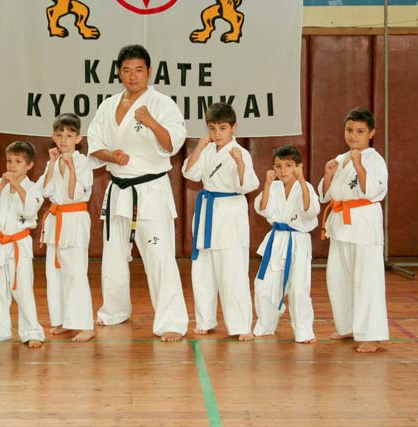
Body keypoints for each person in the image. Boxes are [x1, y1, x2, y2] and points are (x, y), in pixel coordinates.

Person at [87, 44, 188, 342]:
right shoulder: (108, 106)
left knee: (159, 256)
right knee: (113, 255)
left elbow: (172, 145)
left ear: (149, 72)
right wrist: (111, 156)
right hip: (118, 189)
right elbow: (94, 144)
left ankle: (171, 321)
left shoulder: (162, 104)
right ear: (119, 72)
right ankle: (114, 310)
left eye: (139, 70)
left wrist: (151, 122)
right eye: (127, 70)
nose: (133, 76)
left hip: (150, 190)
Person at [182, 102, 258, 340]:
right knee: (203, 270)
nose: (217, 134)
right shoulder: (207, 150)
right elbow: (189, 173)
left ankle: (241, 325)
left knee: (232, 272)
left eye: (222, 128)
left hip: (229, 211)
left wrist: (240, 163)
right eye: (212, 128)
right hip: (207, 210)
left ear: (233, 127)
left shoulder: (239, 152)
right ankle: (205, 319)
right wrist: (198, 147)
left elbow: (247, 185)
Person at [318, 107, 389, 353]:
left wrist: (359, 166)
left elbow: (375, 190)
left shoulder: (374, 159)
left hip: (364, 224)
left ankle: (371, 335)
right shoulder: (340, 158)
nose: (353, 135)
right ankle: (347, 325)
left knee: (367, 280)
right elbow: (326, 195)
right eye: (349, 130)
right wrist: (328, 176)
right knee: (338, 278)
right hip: (341, 225)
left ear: (371, 133)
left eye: (360, 131)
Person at [253, 145, 320, 344]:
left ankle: (304, 331)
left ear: (299, 167)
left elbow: (310, 211)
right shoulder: (274, 187)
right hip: (277, 239)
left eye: (288, 165)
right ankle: (266, 324)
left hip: (298, 240)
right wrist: (266, 185)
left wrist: (302, 181)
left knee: (299, 288)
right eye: (278, 166)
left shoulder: (305, 187)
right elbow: (263, 209)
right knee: (264, 285)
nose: (283, 171)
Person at [0, 140, 45, 348]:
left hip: (19, 244)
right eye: (9, 161)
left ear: (29, 165)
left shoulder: (33, 189)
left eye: (18, 161)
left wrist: (16, 186)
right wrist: (2, 185)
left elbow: (30, 210)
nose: (12, 165)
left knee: (23, 289)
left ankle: (32, 331)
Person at [39, 113, 95, 342]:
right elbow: (45, 191)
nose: (64, 139)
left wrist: (71, 168)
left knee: (75, 271)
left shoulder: (83, 162)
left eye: (69, 135)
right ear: (53, 137)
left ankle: (85, 325)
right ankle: (63, 320)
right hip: (56, 218)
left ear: (78, 139)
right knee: (55, 273)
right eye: (59, 135)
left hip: (74, 218)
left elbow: (74, 193)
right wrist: (53, 163)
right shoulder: (52, 162)